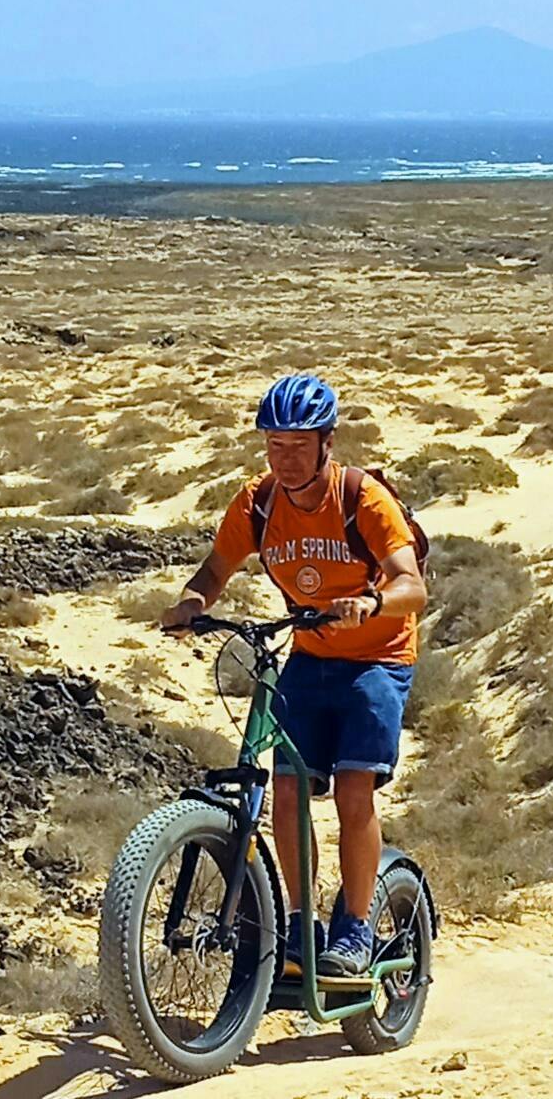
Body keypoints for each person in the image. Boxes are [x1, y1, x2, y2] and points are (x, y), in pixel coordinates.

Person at [161, 374, 427, 976]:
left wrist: (374, 603)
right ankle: (303, 925)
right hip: (309, 655)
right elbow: (215, 568)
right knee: (286, 790)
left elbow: (412, 586)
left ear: (326, 444)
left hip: (378, 658)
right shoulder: (258, 502)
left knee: (355, 790)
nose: (283, 458)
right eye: (273, 445)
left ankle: (355, 929)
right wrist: (191, 605)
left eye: (296, 445)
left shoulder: (362, 499)